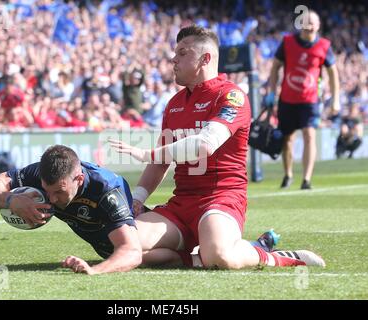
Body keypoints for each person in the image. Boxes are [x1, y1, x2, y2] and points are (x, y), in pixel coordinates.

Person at [110, 25, 325, 269]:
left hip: (221, 198)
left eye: (182, 53)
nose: (174, 59)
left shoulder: (232, 96)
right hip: (182, 203)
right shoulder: (174, 104)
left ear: (205, 59)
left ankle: (272, 255)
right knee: (124, 244)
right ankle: (196, 258)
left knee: (220, 257)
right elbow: (161, 162)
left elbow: (204, 145)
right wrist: (138, 199)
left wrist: (145, 153)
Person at [0, 145, 142, 275]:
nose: (52, 199)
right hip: (106, 250)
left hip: (139, 233)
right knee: (162, 256)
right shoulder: (37, 173)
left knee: (154, 250)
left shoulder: (107, 189)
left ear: (79, 179)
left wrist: (95, 270)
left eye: (59, 192)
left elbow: (132, 251)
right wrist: (10, 200)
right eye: (46, 190)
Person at [266, 10, 340, 190]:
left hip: (310, 100)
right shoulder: (288, 42)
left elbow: (333, 74)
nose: (309, 26)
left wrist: (336, 99)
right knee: (287, 140)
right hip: (287, 99)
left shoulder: (324, 46)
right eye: (306, 22)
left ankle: (306, 179)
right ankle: (288, 174)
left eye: (312, 22)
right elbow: (275, 67)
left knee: (309, 135)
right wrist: (271, 91)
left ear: (318, 25)